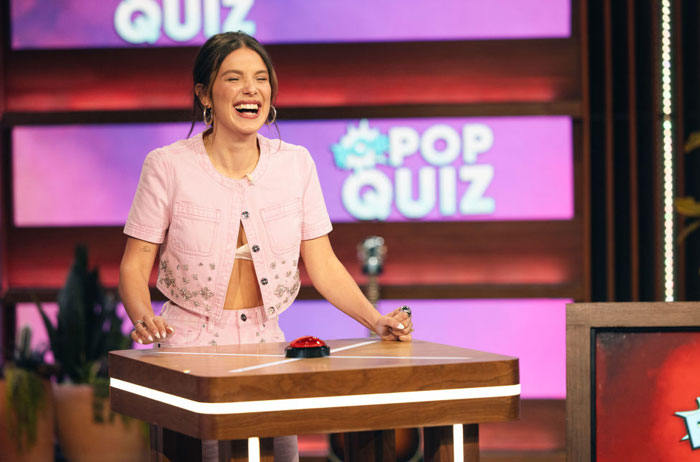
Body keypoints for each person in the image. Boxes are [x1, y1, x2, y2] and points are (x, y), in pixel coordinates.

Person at [118, 31, 413, 462]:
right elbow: (133, 267)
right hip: (187, 350)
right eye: (233, 78)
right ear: (205, 93)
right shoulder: (167, 165)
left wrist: (375, 320)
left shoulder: (296, 164)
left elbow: (322, 263)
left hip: (268, 346)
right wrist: (143, 316)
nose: (250, 89)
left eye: (260, 78)